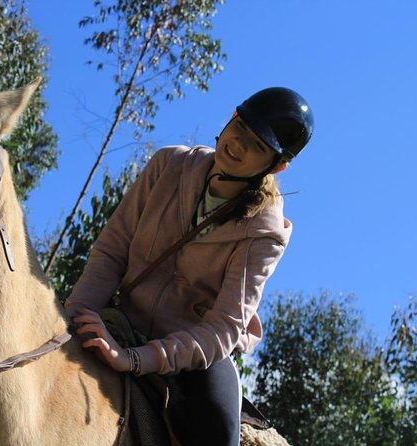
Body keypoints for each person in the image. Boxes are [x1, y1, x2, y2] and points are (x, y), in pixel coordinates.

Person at [65, 87, 314, 445]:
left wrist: (135, 359)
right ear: (231, 117)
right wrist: (74, 314)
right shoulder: (168, 165)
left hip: (194, 355)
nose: (238, 145)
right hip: (121, 316)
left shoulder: (265, 233)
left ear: (276, 165)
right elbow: (112, 250)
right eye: (240, 128)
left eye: (257, 146)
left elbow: (222, 330)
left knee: (218, 431)